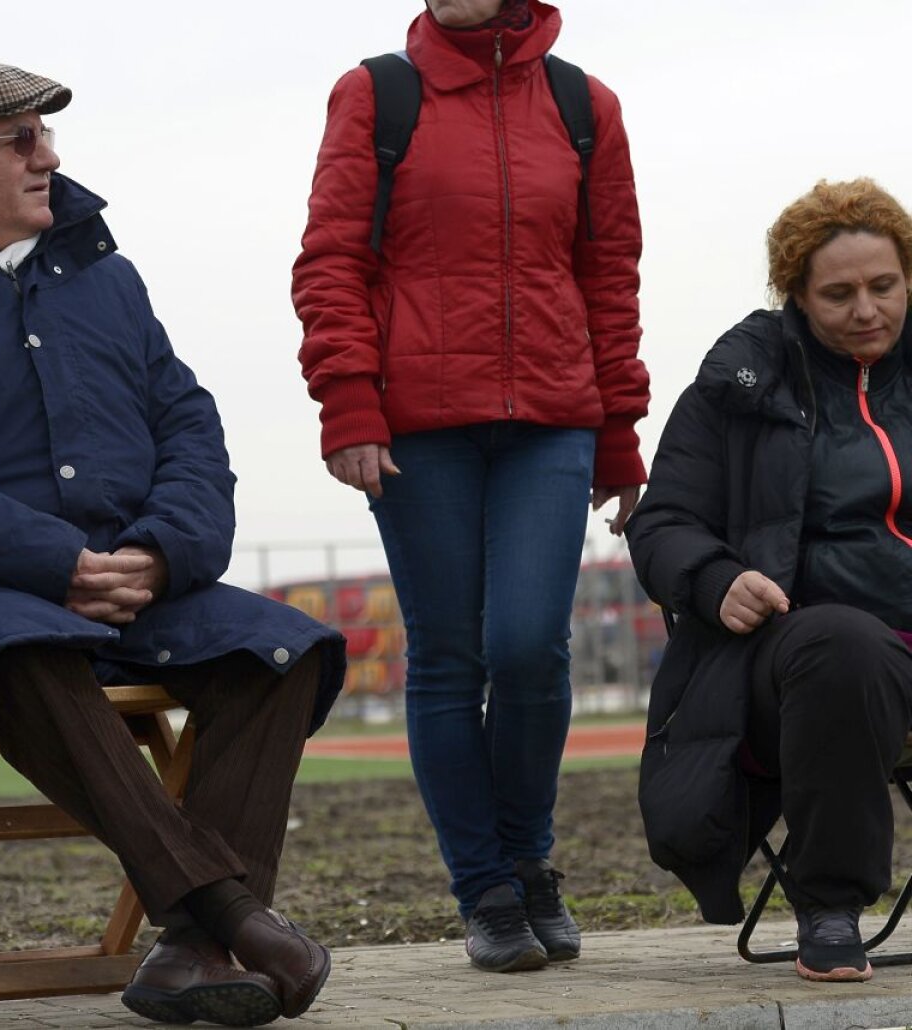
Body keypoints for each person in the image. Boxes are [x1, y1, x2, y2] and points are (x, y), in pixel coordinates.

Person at [0, 59, 347, 1027]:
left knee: (282, 649)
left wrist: (163, 553)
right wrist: (49, 561)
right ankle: (233, 913)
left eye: (46, 134)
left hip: (127, 582)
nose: (50, 155)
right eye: (21, 138)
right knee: (20, 645)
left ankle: (195, 954)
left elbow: (190, 432)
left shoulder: (108, 281)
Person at [291, 0, 649, 973]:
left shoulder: (585, 105)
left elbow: (609, 273)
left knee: (529, 643)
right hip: (419, 426)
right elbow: (332, 260)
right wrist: (349, 402)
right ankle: (486, 889)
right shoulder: (376, 96)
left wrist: (617, 431)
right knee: (450, 655)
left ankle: (530, 858)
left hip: (552, 420)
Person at [626, 178, 912, 983]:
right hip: (794, 658)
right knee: (845, 644)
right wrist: (716, 577)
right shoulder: (739, 387)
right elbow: (661, 523)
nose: (866, 311)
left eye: (884, 286)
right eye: (839, 294)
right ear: (795, 296)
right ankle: (830, 906)